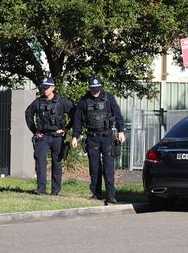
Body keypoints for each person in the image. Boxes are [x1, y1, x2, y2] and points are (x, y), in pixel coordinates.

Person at [72, 76, 126, 204]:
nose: (95, 91)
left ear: (100, 87)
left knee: (108, 167)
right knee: (94, 167)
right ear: (89, 88)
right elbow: (77, 120)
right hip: (92, 138)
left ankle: (110, 195)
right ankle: (96, 193)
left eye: (97, 89)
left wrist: (121, 131)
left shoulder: (109, 98)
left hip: (107, 137)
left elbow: (118, 116)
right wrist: (75, 136)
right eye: (93, 89)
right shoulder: (84, 101)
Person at [25, 77, 74, 195]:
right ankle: (41, 188)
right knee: (40, 161)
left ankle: (55, 190)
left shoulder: (61, 101)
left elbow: (75, 113)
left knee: (56, 163)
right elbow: (28, 114)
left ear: (53, 88)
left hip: (57, 137)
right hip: (43, 137)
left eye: (47, 88)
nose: (45, 90)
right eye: (43, 88)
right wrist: (35, 131)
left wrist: (66, 128)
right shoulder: (38, 102)